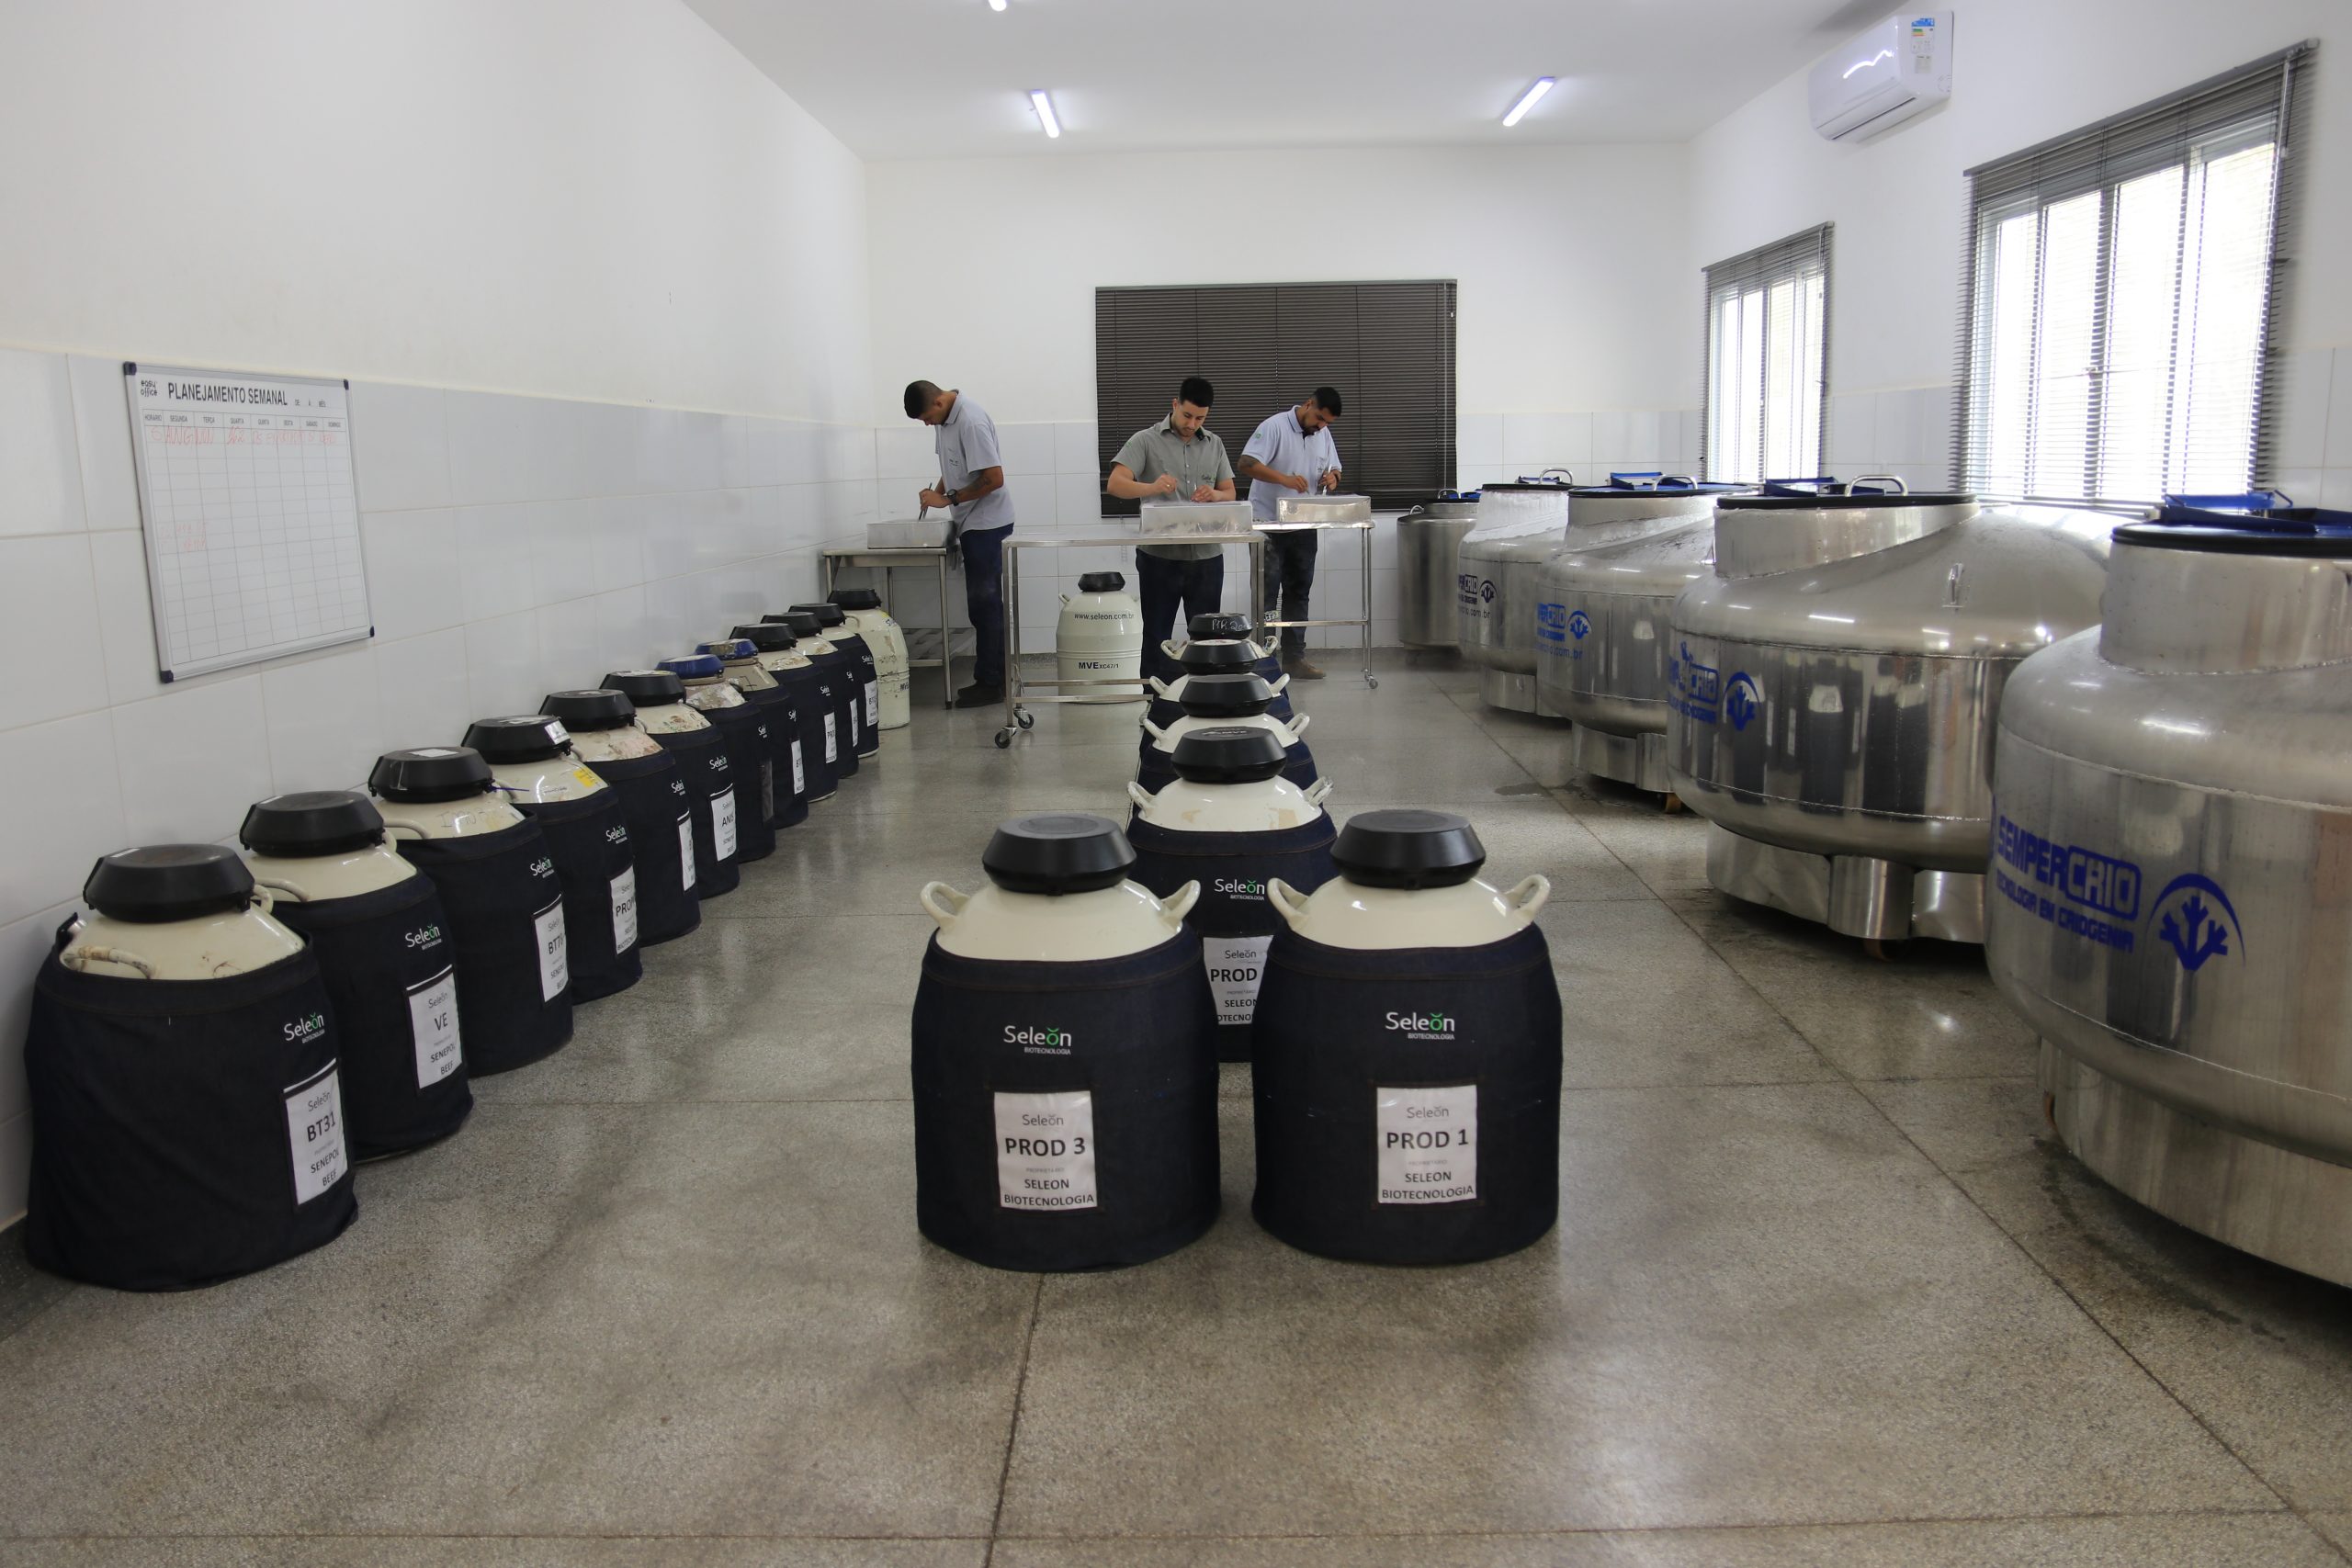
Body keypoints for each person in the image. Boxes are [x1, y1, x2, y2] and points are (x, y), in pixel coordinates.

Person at [1104, 375, 1237, 682]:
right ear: (1175, 405)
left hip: (1206, 557)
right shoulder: (1145, 440)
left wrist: (1214, 494)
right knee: (1156, 634)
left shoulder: (1214, 443)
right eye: (1187, 415)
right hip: (1159, 558)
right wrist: (1150, 486)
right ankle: (1153, 701)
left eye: (1200, 418)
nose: (1192, 424)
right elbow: (1115, 484)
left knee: (1208, 637)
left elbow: (1229, 492)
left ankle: (1206, 695)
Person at [907, 380, 1013, 708]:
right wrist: (937, 493)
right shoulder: (946, 418)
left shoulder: (971, 421)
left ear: (939, 402)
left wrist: (949, 498)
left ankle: (992, 683)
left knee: (986, 606)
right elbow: (951, 468)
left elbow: (994, 479)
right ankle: (991, 678)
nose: (927, 424)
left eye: (927, 418)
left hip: (988, 524)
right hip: (971, 523)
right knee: (981, 607)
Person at [1237, 386, 1344, 680]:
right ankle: (1264, 661)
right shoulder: (1274, 427)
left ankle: (1295, 658)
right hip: (1268, 525)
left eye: (1327, 423)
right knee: (1266, 594)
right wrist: (1283, 478)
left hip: (1304, 524)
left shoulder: (1323, 432)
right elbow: (1246, 463)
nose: (1321, 426)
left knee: (1299, 592)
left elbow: (1335, 467)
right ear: (1308, 404)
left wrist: (1332, 477)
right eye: (1319, 418)